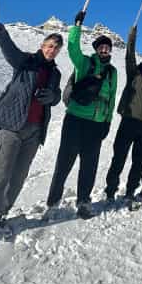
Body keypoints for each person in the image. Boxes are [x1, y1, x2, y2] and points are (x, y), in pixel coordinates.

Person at [0, 23, 63, 247]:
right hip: (13, 127)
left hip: (34, 131)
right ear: (42, 46)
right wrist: (1, 34)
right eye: (49, 46)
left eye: (56, 48)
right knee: (0, 177)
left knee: (18, 178)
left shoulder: (55, 73)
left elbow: (57, 96)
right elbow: (10, 52)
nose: (52, 50)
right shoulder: (26, 62)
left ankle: (1, 215)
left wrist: (50, 97)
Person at [46, 11, 118, 219]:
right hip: (76, 119)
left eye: (108, 47)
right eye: (101, 46)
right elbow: (72, 48)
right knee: (64, 163)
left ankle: (84, 201)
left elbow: (111, 99)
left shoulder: (113, 72)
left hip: (96, 124)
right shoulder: (85, 63)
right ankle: (52, 203)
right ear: (96, 49)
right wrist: (77, 26)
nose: (104, 49)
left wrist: (107, 122)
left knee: (89, 165)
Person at [104, 25, 142, 204]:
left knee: (139, 161)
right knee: (119, 157)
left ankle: (130, 191)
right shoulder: (135, 72)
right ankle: (110, 191)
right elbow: (129, 55)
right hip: (129, 121)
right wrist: (132, 36)